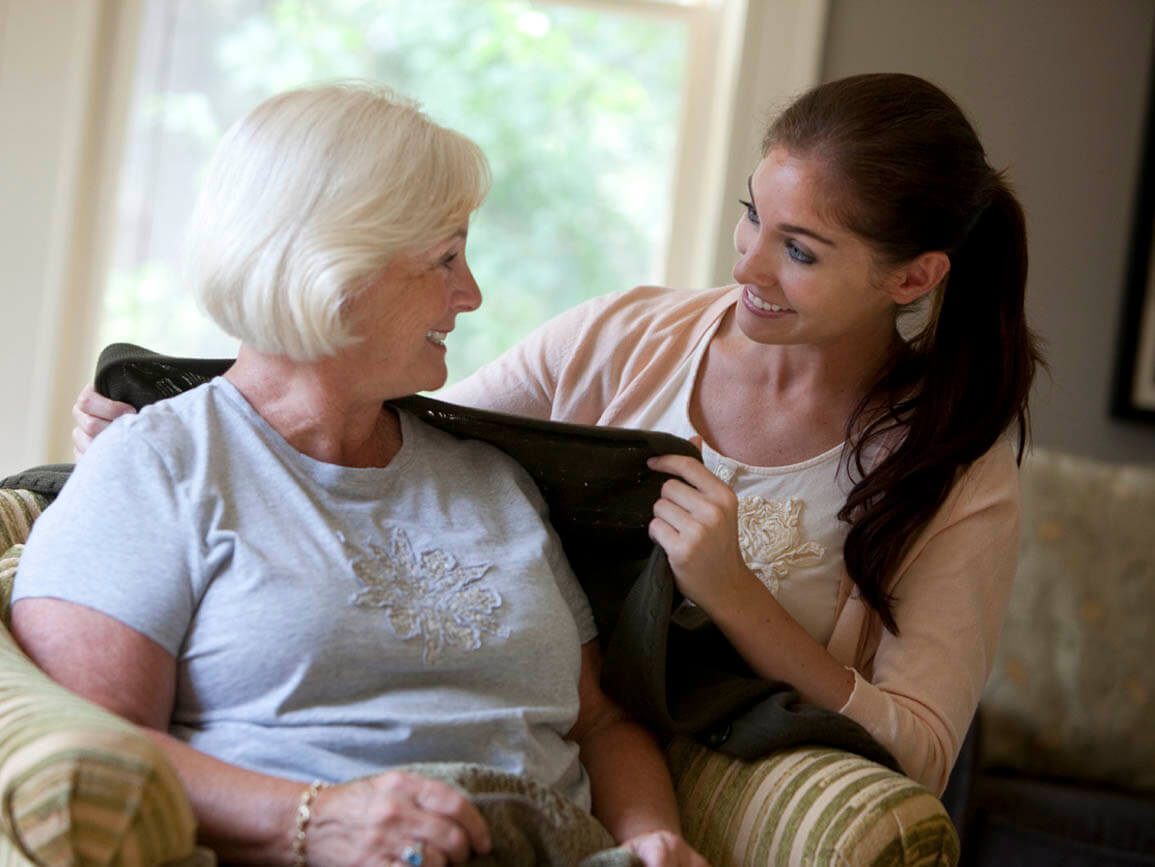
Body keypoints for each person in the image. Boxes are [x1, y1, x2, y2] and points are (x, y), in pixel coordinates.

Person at [70, 73, 1040, 797]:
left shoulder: (955, 470)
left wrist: (738, 599)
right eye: (752, 215)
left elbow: (919, 747)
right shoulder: (625, 336)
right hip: (579, 758)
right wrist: (161, 416)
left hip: (693, 776)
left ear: (910, 279)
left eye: (799, 250)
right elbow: (383, 412)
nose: (748, 265)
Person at [17, 82, 707, 867]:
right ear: (333, 265)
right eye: (445, 257)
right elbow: (96, 751)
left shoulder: (493, 479)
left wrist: (656, 838)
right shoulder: (153, 467)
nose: (471, 293)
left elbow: (601, 725)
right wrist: (317, 817)